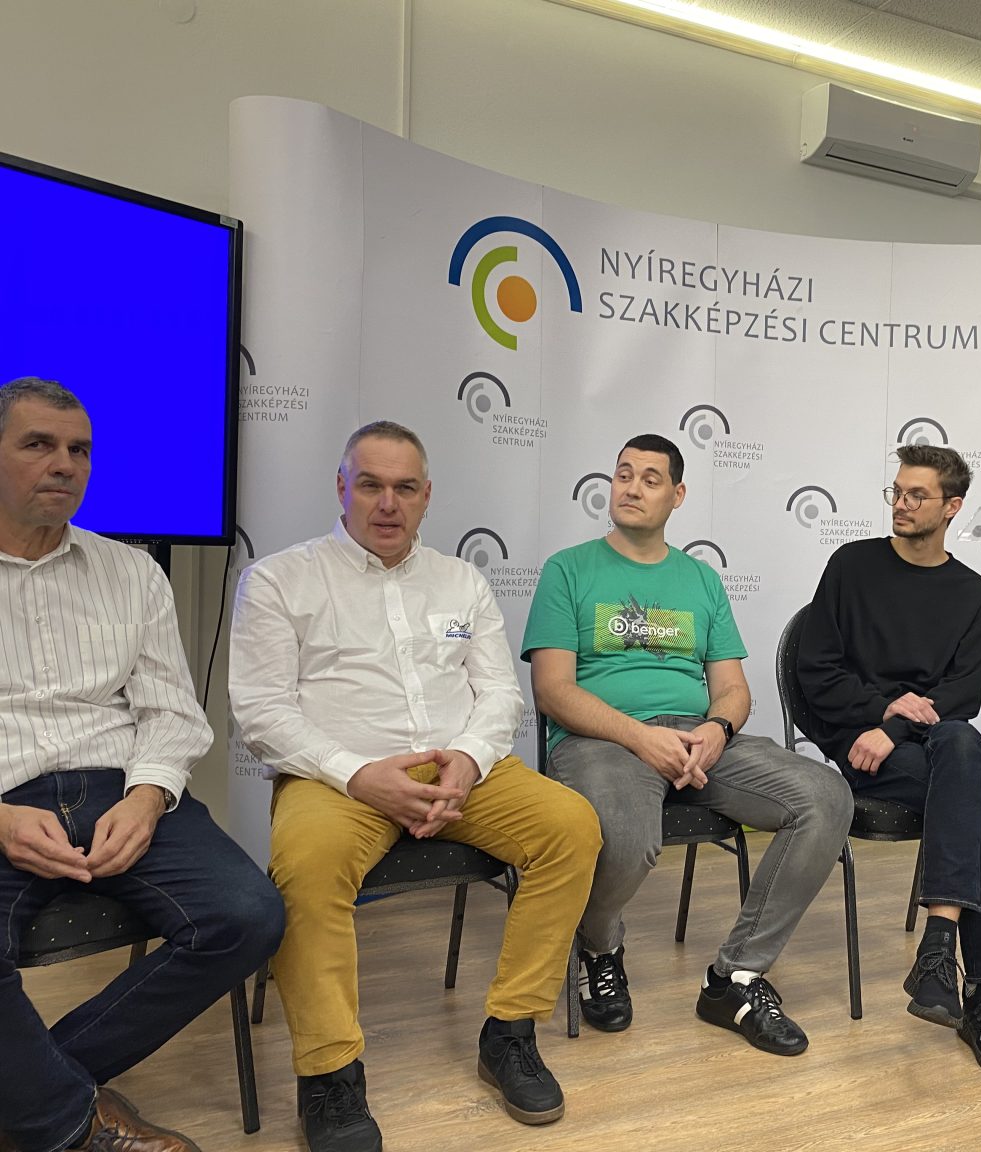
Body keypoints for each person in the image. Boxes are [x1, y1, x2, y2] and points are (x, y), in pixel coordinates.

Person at [229, 421, 600, 1150]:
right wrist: (359, 775)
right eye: (370, 485)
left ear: (427, 495)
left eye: (405, 488)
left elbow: (499, 692)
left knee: (571, 826)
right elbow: (262, 712)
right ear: (341, 487)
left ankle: (511, 1031)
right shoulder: (278, 580)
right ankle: (330, 1074)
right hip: (337, 777)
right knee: (307, 867)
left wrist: (466, 759)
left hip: (462, 771)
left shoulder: (461, 581)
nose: (388, 503)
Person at [0, 377, 284, 1152]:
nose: (65, 464)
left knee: (248, 916)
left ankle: (36, 1087)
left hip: (115, 783)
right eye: (38, 444)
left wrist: (150, 796)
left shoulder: (131, 573)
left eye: (79, 450)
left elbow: (170, 711)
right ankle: (68, 1122)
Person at [522, 434, 851, 1057]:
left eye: (650, 479)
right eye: (623, 474)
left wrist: (716, 731)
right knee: (624, 835)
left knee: (826, 797)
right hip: (601, 737)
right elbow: (553, 690)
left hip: (697, 738)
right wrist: (640, 737)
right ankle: (600, 946)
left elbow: (732, 689)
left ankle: (736, 978)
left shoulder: (701, 579)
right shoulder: (568, 569)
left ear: (677, 495)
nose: (631, 487)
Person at [797, 444, 981, 1076]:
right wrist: (878, 717)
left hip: (920, 744)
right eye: (897, 492)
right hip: (861, 747)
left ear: (951, 507)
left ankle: (940, 955)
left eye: (916, 495)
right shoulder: (851, 566)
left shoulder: (973, 595)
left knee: (962, 745)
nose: (901, 504)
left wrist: (896, 725)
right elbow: (815, 673)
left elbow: (962, 696)